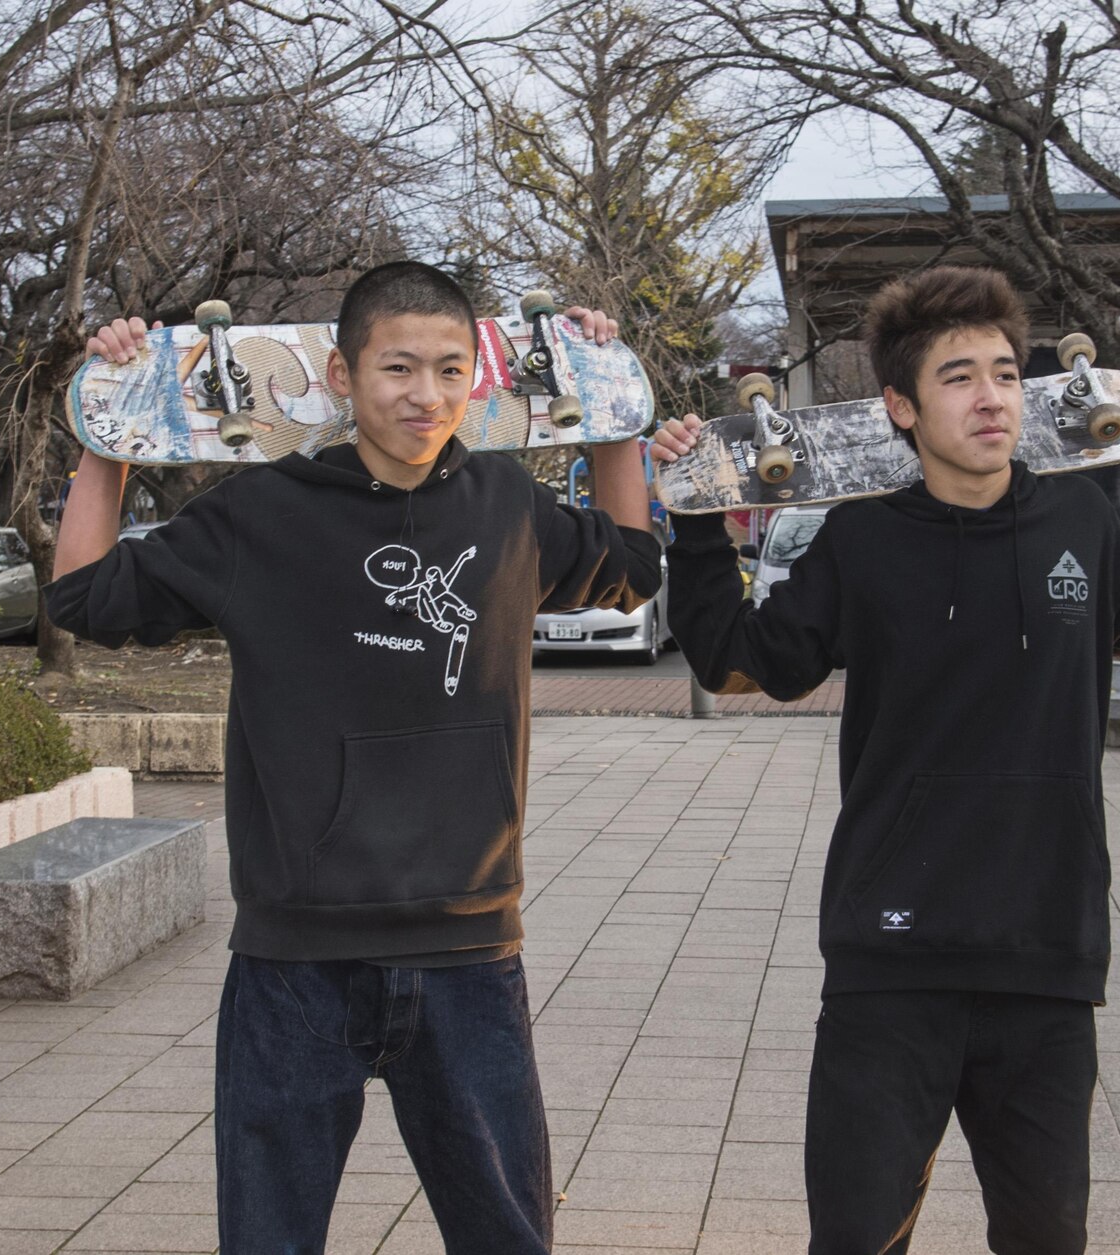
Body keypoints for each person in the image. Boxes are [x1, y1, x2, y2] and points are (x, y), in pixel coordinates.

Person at [46, 261, 664, 1253]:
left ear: (475, 378)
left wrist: (607, 400)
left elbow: (631, 568)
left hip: (467, 952)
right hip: (295, 961)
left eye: (449, 369)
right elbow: (84, 597)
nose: (424, 395)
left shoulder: (503, 505)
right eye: (397, 368)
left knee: (509, 1237)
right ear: (341, 374)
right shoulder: (261, 516)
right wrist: (109, 431)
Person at [649, 266, 1120, 1252]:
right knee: (855, 1237)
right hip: (888, 959)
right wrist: (700, 516)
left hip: (1043, 955)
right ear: (900, 407)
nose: (990, 395)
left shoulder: (1075, 523)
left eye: (1002, 372)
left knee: (1045, 1238)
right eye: (956, 376)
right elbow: (744, 662)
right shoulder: (861, 538)